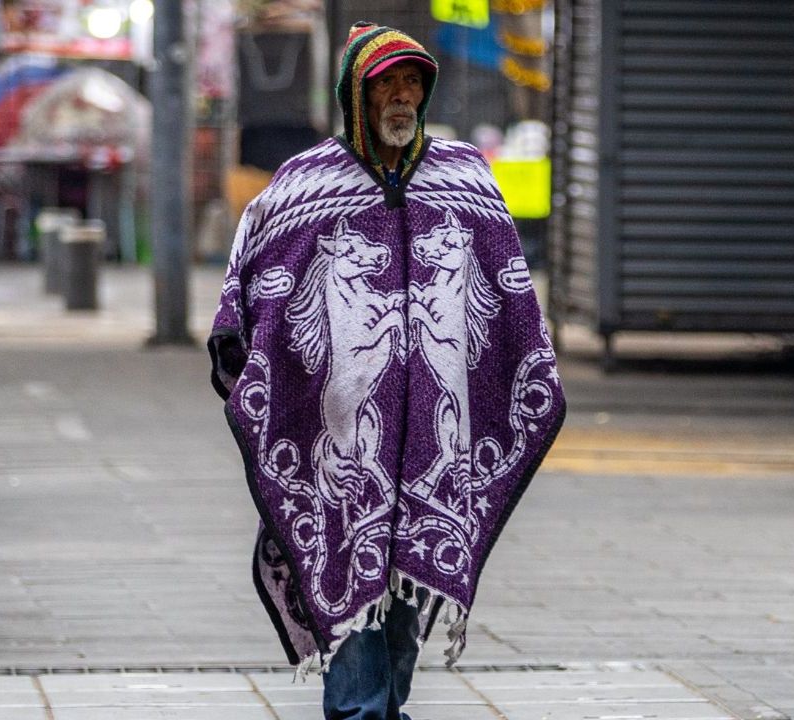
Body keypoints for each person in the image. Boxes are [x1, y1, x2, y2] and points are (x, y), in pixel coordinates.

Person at [207, 22, 566, 720]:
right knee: (350, 597)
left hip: (440, 447)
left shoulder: (465, 176)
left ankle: (383, 710)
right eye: (386, 84)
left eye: (412, 83)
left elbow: (510, 295)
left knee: (406, 607)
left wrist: (522, 372)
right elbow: (250, 289)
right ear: (356, 95)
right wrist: (262, 369)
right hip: (338, 450)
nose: (401, 97)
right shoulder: (303, 184)